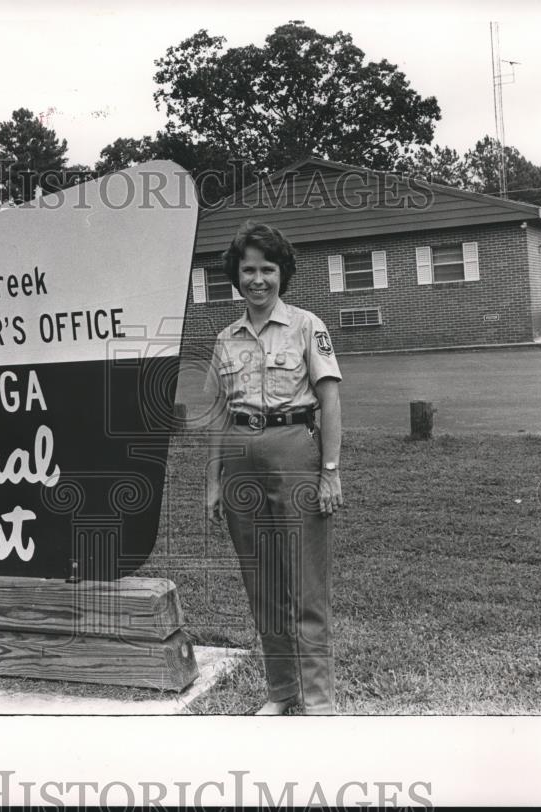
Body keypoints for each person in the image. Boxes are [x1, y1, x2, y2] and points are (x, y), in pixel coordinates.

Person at [204, 220, 343, 715]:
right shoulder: (225, 338)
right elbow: (219, 412)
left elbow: (330, 400)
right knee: (261, 582)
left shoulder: (308, 326)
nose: (257, 280)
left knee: (306, 580)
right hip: (241, 457)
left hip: (294, 451)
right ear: (235, 276)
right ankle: (281, 692)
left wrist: (329, 470)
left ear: (282, 273)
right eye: (248, 270)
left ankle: (319, 699)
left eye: (267, 269)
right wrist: (214, 481)